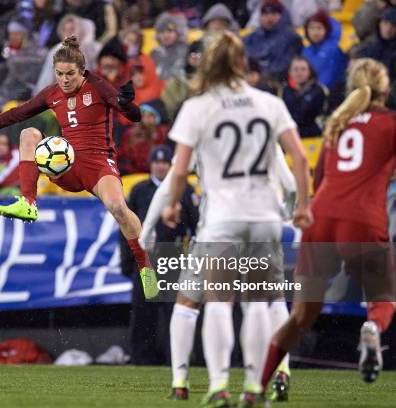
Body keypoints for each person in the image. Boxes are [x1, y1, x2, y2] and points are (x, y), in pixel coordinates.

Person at [161, 31, 311, 406]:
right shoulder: (268, 102)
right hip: (264, 215)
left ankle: (218, 385)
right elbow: (301, 158)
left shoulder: (198, 107)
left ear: (208, 64)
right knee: (259, 301)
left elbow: (179, 171)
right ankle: (255, 385)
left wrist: (173, 205)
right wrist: (304, 205)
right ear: (243, 63)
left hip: (223, 217)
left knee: (219, 301)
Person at [0, 36, 159, 300]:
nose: (64, 79)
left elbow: (134, 117)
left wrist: (128, 104)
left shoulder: (98, 86)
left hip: (98, 165)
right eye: (59, 74)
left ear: (82, 71)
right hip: (66, 165)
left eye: (70, 74)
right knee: (28, 133)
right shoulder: (52, 93)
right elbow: (16, 113)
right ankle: (28, 202)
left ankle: (144, 265)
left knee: (118, 208)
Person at [260, 58, 396, 394]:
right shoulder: (390, 124)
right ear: (385, 89)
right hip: (362, 218)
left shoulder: (337, 125)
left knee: (301, 317)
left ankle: (258, 387)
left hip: (321, 219)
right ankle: (373, 331)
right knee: (383, 299)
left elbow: (319, 180)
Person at [120, 145, 199, 366]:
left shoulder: (184, 190)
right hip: (146, 259)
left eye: (165, 162)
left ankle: (174, 357)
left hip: (173, 257)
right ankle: (142, 357)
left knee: (173, 309)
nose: (161, 166)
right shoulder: (139, 191)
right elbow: (125, 226)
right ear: (151, 164)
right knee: (144, 309)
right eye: (157, 162)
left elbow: (196, 225)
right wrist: (127, 260)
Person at [243, 0, 302, 81]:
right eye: (265, 14)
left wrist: (261, 77)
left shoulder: (292, 38)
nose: (269, 17)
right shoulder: (249, 38)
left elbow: (284, 65)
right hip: (250, 80)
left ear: (282, 15)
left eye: (274, 14)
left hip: (276, 83)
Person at [302, 10, 348, 92]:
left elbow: (332, 75)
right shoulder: (305, 51)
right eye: (312, 28)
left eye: (319, 28)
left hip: (330, 93)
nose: (315, 32)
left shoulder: (336, 49)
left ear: (326, 29)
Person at [282, 56, 327, 138]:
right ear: (290, 72)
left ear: (309, 71)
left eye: (303, 69)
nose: (299, 73)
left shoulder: (318, 90)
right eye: (295, 69)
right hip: (290, 135)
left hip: (312, 136)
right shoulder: (285, 90)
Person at [151, 12, 189, 81]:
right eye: (162, 32)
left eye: (170, 31)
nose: (166, 35)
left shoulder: (186, 51)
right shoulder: (155, 53)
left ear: (178, 32)